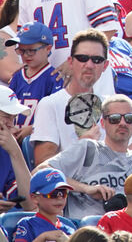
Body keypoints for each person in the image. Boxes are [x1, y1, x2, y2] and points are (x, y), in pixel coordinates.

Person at [45, 94, 132, 219]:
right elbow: (44, 172)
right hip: (88, 230)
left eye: (129, 118)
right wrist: (86, 189)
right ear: (103, 123)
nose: (123, 123)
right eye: (115, 118)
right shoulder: (88, 148)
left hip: (129, 231)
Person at [28, 28, 112, 163]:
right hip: (71, 182)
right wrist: (81, 145)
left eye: (97, 60)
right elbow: (44, 165)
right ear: (71, 62)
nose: (89, 65)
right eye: (82, 58)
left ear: (105, 65)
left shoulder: (113, 105)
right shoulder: (50, 104)